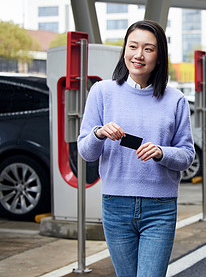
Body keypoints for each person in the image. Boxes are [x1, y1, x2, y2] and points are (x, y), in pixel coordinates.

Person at [77, 20, 195, 277]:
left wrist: (162, 152)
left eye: (148, 49)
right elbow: (86, 152)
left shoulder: (175, 99)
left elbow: (187, 154)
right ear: (125, 51)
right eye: (133, 46)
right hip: (115, 205)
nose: (138, 55)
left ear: (160, 56)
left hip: (160, 207)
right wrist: (99, 134)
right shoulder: (101, 92)